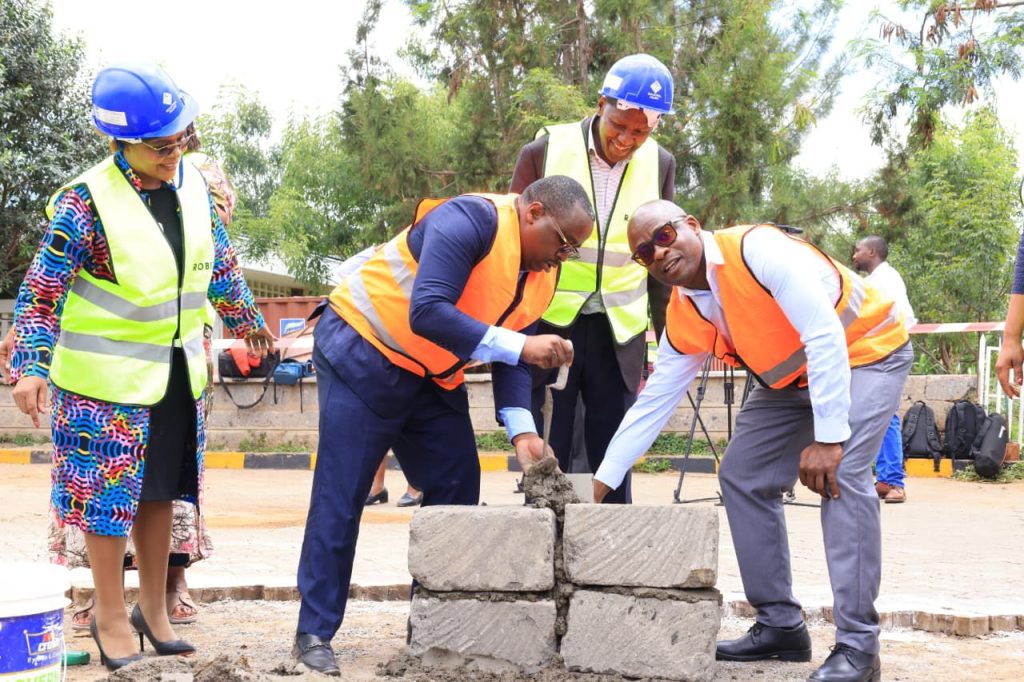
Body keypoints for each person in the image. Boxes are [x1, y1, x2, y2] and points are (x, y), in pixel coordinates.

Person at [8, 61, 273, 671]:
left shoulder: (194, 187)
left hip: (176, 375)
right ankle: (107, 613)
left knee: (159, 496)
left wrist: (246, 320)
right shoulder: (85, 204)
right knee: (107, 503)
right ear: (119, 142)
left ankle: (151, 610)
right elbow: (42, 292)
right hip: (105, 386)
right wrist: (30, 365)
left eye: (182, 137)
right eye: (159, 145)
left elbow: (221, 265)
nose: (174, 152)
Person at [593, 200, 911, 682]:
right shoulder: (683, 312)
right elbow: (653, 402)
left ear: (691, 227)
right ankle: (781, 626)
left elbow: (823, 334)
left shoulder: (755, 249)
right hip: (792, 382)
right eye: (643, 253)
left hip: (866, 352)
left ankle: (858, 649)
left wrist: (829, 437)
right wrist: (602, 482)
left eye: (662, 236)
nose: (658, 254)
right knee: (742, 476)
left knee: (841, 474)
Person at [292, 176, 594, 676]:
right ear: (534, 212)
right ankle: (315, 631)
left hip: (431, 374)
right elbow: (429, 310)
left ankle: (431, 625)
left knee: (456, 483)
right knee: (342, 493)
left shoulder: (543, 273)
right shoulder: (469, 220)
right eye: (563, 243)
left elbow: (513, 353)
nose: (562, 257)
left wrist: (522, 431)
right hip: (364, 351)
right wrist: (521, 347)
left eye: (574, 252)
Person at [509, 54, 677, 502]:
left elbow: (664, 259)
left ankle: (613, 554)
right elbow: (513, 242)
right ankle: (545, 542)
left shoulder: (660, 165)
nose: (626, 139)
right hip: (551, 321)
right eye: (619, 125)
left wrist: (671, 338)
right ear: (602, 103)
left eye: (640, 132)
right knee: (550, 443)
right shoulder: (544, 151)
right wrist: (509, 327)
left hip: (619, 332)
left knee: (613, 450)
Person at [852, 236, 917, 504]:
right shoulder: (878, 279)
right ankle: (886, 478)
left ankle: (894, 482)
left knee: (885, 415)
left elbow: (901, 318)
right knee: (878, 416)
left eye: (858, 250)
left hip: (887, 352)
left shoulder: (884, 279)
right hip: (878, 352)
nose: (854, 255)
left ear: (872, 251)